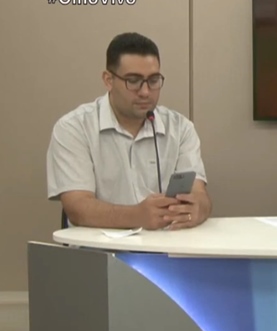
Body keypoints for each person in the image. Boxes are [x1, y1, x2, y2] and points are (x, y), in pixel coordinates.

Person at [47, 32, 212, 231]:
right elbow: (77, 207)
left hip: (165, 245)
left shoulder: (181, 128)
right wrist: (137, 216)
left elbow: (199, 194)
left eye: (153, 80)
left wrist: (198, 209)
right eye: (133, 81)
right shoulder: (74, 128)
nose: (145, 92)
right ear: (108, 80)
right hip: (97, 247)